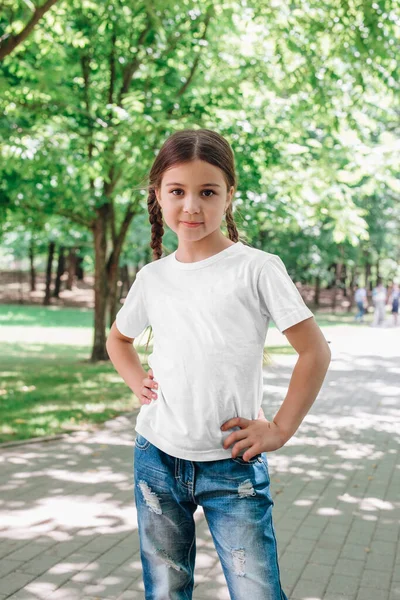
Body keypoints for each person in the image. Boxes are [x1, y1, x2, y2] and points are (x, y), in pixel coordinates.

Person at [106, 129, 331, 600]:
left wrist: (280, 429)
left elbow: (315, 351)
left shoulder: (257, 269)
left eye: (207, 192)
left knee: (257, 592)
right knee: (166, 590)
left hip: (232, 462)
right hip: (156, 459)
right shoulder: (153, 277)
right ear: (158, 196)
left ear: (229, 195)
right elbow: (119, 339)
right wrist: (137, 384)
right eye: (177, 191)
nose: (192, 206)